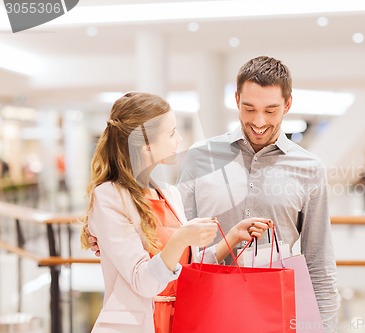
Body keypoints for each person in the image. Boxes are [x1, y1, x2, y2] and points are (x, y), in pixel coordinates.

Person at [80, 92, 272, 333]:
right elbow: (144, 282)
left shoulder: (169, 194)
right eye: (171, 133)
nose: (179, 140)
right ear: (146, 143)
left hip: (181, 321)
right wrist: (181, 237)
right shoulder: (109, 196)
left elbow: (187, 268)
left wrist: (232, 237)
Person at [176, 56, 339, 332]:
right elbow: (177, 238)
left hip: (274, 317)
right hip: (206, 311)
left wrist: (325, 327)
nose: (259, 121)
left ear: (288, 104)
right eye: (249, 108)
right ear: (237, 99)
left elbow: (319, 263)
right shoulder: (201, 157)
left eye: (271, 110)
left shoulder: (309, 169)